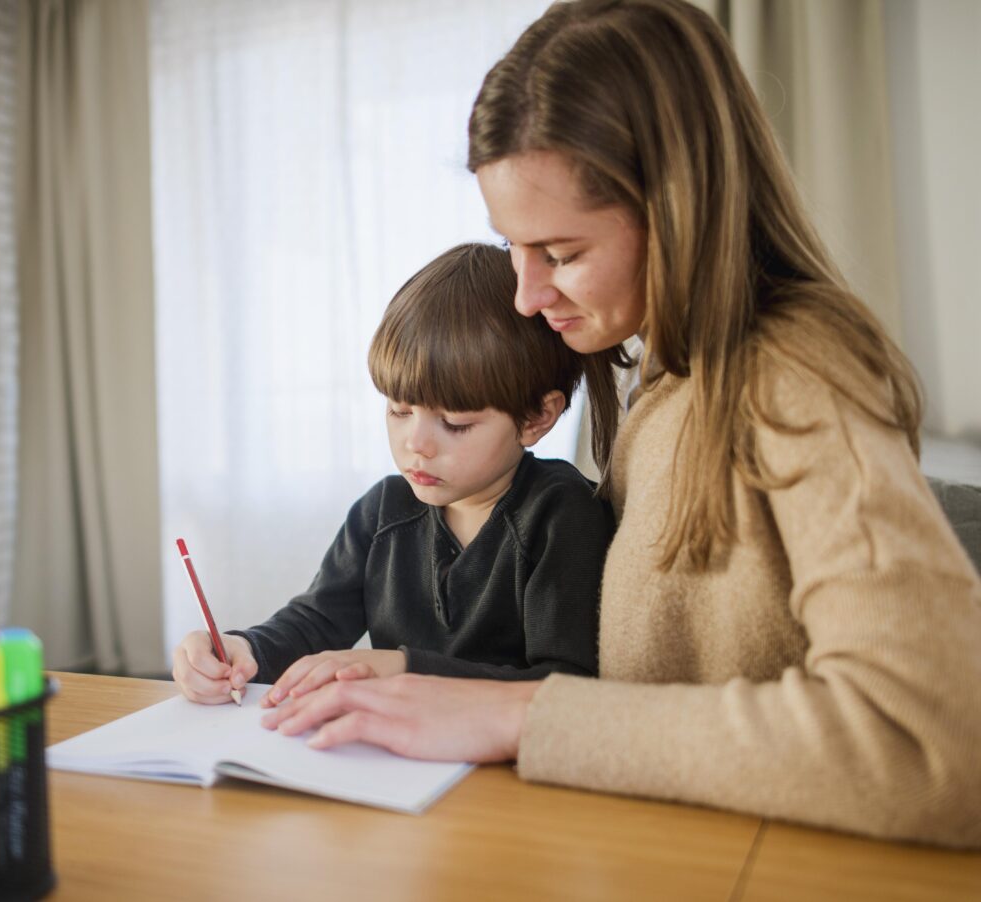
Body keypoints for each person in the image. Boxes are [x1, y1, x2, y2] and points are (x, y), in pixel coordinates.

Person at [259, 0, 981, 848]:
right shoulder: (667, 382)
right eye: (512, 247)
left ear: (677, 209)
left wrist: (517, 713)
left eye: (561, 255)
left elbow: (932, 743)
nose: (527, 295)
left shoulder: (794, 378)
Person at [172, 242, 614, 707]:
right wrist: (243, 649)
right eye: (399, 411)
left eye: (456, 423)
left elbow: (564, 685)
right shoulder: (383, 510)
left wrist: (406, 669)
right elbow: (316, 623)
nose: (415, 443)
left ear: (536, 419)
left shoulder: (562, 514)